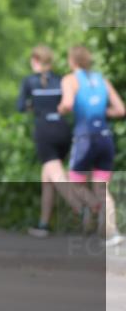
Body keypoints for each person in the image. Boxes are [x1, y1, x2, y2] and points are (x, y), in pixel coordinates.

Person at [57, 45, 125, 247]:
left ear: (72, 61)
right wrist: (102, 113)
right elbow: (120, 109)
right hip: (105, 137)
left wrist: (59, 109)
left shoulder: (69, 80)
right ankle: (112, 234)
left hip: (85, 138)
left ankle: (93, 206)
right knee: (102, 188)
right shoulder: (101, 80)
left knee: (73, 182)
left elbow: (68, 104)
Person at [17, 45, 85, 237]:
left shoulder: (29, 81)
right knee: (47, 178)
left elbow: (20, 106)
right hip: (63, 130)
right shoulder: (61, 79)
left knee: (56, 176)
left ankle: (81, 208)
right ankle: (44, 224)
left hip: (45, 132)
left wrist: (34, 106)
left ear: (35, 61)